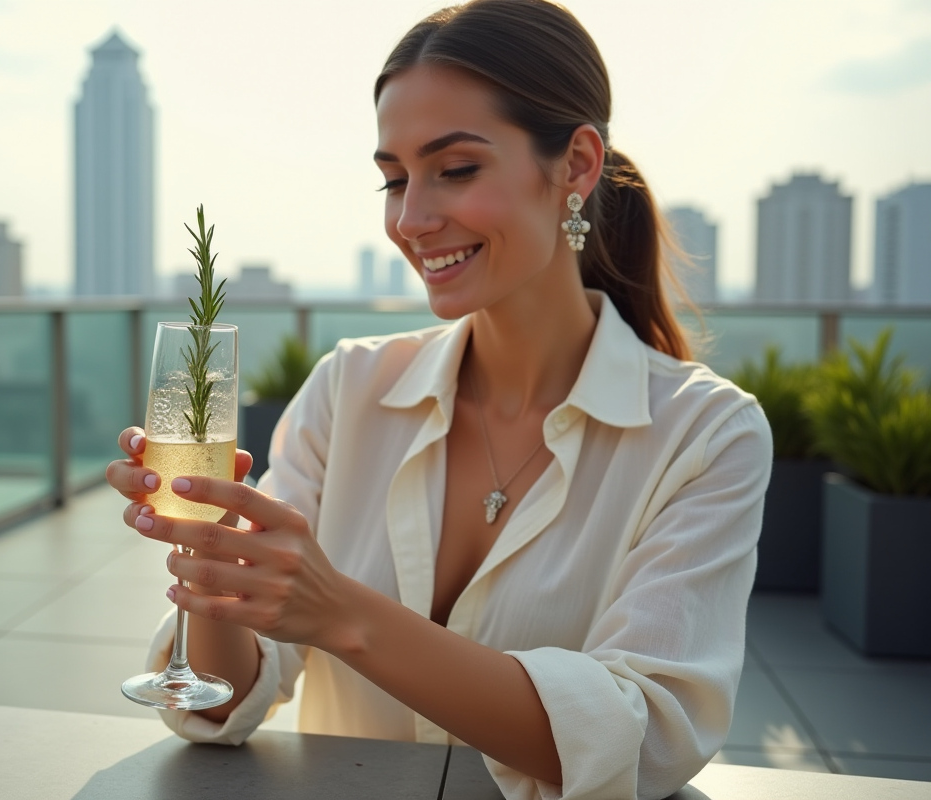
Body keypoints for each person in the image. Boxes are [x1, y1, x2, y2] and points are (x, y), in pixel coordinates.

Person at [106, 1, 772, 797]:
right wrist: (218, 565)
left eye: (455, 170)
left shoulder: (705, 436)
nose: (411, 219)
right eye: (394, 179)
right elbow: (229, 703)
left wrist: (341, 614)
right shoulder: (349, 389)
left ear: (578, 165)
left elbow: (644, 740)